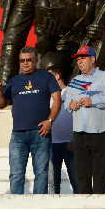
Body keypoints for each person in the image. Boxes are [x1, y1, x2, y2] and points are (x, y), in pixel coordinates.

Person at [0, 47, 60, 194]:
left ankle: (38, 206)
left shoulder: (46, 77)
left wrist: (50, 121)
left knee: (41, 173)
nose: (25, 63)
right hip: (18, 135)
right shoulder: (14, 81)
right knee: (16, 175)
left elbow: (57, 100)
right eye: (22, 60)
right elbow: (1, 103)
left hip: (41, 133)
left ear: (36, 60)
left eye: (28, 60)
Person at [62, 46, 105, 194]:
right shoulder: (75, 80)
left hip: (101, 133)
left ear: (93, 59)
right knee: (82, 176)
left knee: (100, 176)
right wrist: (71, 104)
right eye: (78, 59)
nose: (79, 62)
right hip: (80, 133)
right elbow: (67, 103)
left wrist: (92, 100)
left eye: (83, 58)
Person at [46, 66, 77, 194]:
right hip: (52, 144)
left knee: (77, 181)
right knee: (53, 183)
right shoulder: (46, 96)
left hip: (71, 144)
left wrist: (75, 139)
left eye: (49, 76)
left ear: (57, 76)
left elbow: (80, 117)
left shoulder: (72, 92)